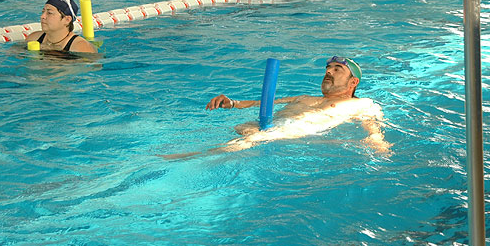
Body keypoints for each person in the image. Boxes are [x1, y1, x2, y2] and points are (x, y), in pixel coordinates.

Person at [163, 56, 391, 158]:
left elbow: (372, 125)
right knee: (241, 132)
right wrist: (231, 103)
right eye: (327, 68)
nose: (328, 71)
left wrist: (377, 142)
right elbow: (260, 104)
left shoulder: (361, 103)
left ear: (353, 82)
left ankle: (185, 159)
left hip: (284, 133)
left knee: (228, 149)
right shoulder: (303, 97)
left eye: (337, 69)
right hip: (264, 128)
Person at [25, 0, 97, 54]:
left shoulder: (81, 48)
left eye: (49, 13)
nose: (42, 16)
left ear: (67, 20)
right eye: (43, 12)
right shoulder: (33, 38)